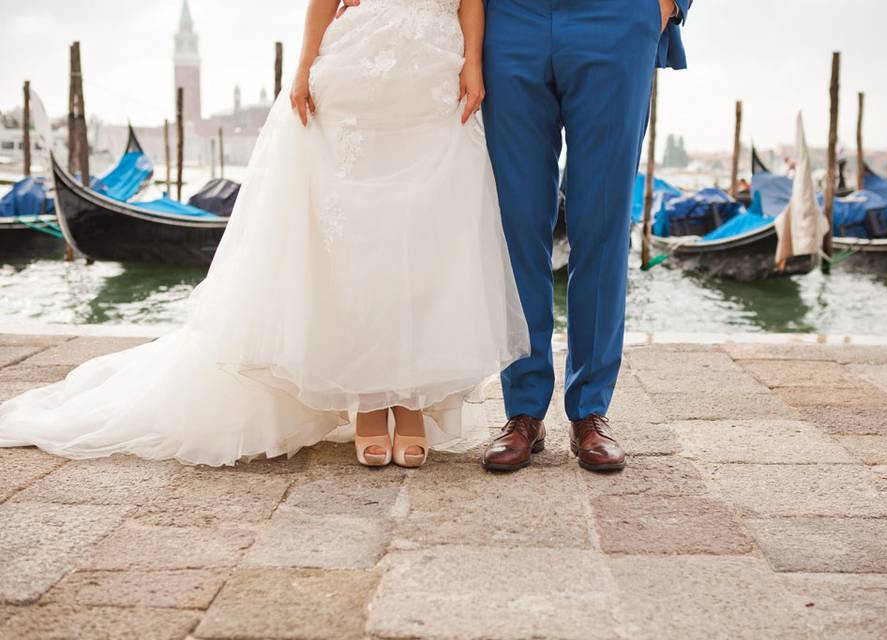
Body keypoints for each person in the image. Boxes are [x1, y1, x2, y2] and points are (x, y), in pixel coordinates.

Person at [0, 0, 529, 469]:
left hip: (433, 79)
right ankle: (370, 400)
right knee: (357, 245)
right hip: (358, 76)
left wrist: (474, 64)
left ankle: (410, 400)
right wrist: (302, 67)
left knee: (422, 240)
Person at [478, 0, 690, 472]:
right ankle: (523, 409)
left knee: (604, 224)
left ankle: (590, 410)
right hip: (511, 20)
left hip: (616, 19)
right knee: (516, 224)